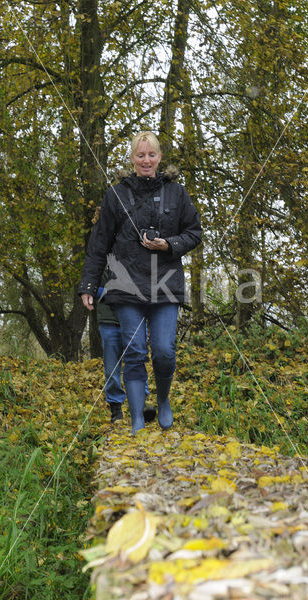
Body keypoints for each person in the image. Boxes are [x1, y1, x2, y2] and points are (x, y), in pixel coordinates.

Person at [79, 130, 202, 434]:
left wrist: (169, 244)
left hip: (166, 285)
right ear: (133, 159)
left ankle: (162, 401)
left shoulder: (178, 193)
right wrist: (88, 285)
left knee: (163, 351)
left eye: (151, 155)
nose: (146, 160)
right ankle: (136, 418)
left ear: (160, 158)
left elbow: (194, 233)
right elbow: (99, 244)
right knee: (133, 351)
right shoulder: (115, 195)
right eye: (140, 155)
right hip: (126, 287)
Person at [96, 266, 155, 424]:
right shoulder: (103, 260)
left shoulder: (137, 259)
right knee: (112, 367)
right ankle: (116, 408)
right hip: (109, 321)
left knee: (137, 360)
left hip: (135, 319)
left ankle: (141, 405)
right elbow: (92, 287)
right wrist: (115, 294)